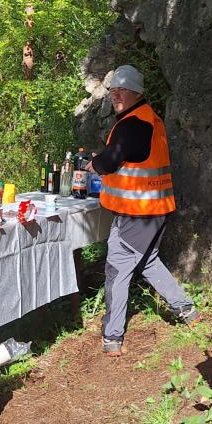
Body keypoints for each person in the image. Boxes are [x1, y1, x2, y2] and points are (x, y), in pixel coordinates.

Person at [86, 65, 199, 357]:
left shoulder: (133, 123)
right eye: (113, 90)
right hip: (155, 209)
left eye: (122, 90)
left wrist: (95, 164)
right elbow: (131, 157)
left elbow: (110, 162)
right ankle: (187, 310)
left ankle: (112, 336)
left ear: (137, 92)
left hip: (137, 212)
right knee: (147, 261)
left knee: (117, 270)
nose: (116, 95)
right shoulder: (149, 118)